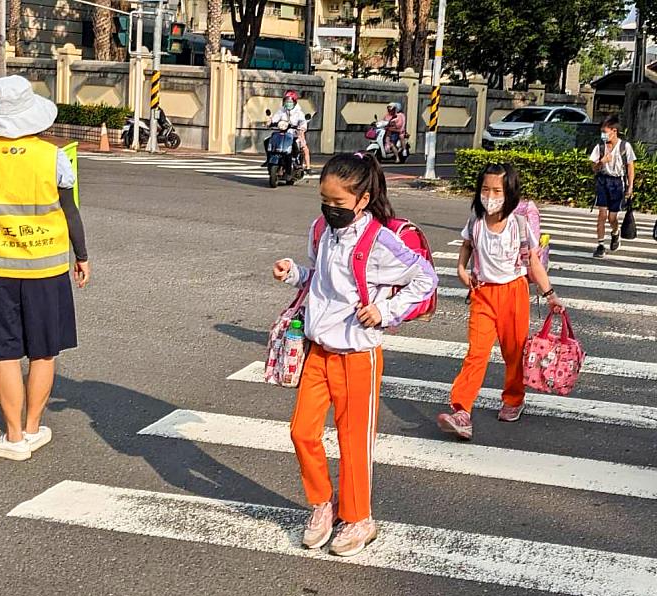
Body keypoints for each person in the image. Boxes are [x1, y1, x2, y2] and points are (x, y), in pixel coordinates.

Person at [272, 153, 437, 557]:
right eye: (324, 201)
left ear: (362, 200)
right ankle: (322, 505)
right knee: (302, 431)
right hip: (319, 352)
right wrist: (295, 273)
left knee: (353, 442)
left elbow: (425, 278)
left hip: (358, 356)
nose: (330, 210)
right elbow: (322, 281)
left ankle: (360, 519)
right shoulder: (322, 231)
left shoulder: (380, 241)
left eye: (338, 204)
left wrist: (386, 312)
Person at [0, 75, 90, 461]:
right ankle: (34, 428)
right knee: (44, 352)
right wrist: (80, 256)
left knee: (5, 354)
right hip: (46, 269)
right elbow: (70, 211)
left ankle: (12, 438)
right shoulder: (53, 157)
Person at [437, 163, 563, 441]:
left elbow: (533, 262)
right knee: (476, 354)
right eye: (485, 189)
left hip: (514, 293)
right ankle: (461, 410)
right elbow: (467, 247)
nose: (490, 195)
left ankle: (514, 398)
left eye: (497, 190)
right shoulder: (476, 221)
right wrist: (461, 269)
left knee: (514, 352)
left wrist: (550, 294)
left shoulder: (518, 225)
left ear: (509, 193)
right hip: (483, 294)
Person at [590, 115, 636, 258]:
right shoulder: (600, 147)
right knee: (602, 215)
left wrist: (630, 187)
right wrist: (601, 162)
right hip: (603, 181)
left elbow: (630, 167)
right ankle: (600, 244)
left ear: (614, 131)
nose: (603, 135)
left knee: (612, 217)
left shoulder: (625, 146)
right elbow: (594, 168)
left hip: (617, 183)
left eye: (606, 131)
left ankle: (615, 233)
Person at [265, 90, 311, 173]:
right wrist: (270, 122)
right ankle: (269, 159)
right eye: (286, 101)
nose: (288, 103)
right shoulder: (281, 110)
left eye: (290, 101)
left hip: (294, 134)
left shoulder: (299, 113)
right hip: (282, 133)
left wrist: (302, 128)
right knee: (267, 141)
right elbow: (275, 119)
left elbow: (303, 121)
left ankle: (299, 163)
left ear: (294, 102)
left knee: (299, 146)